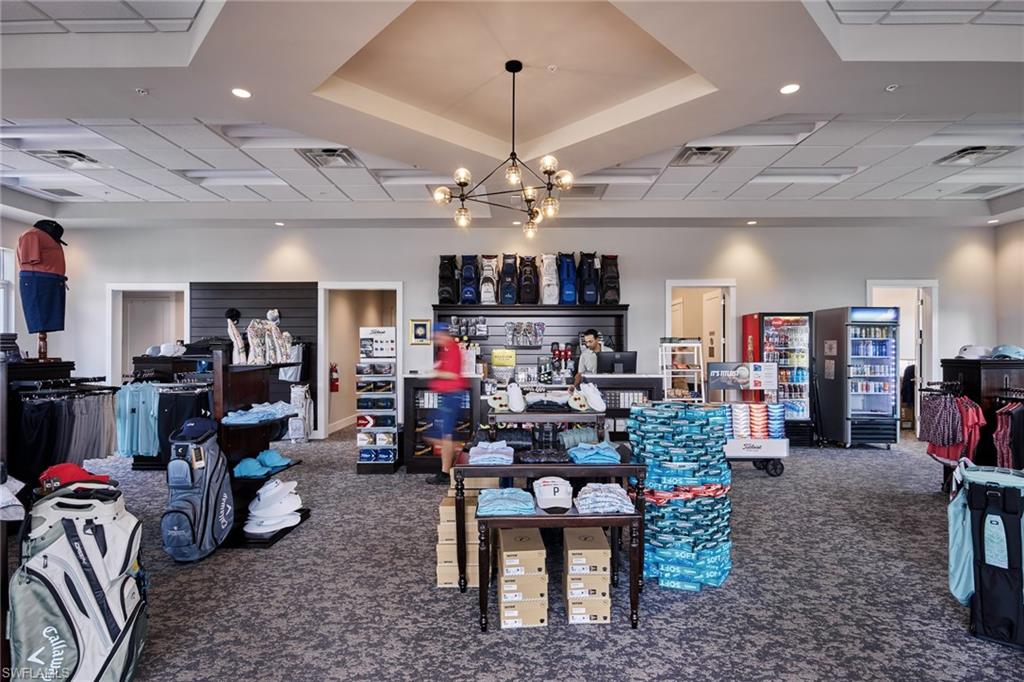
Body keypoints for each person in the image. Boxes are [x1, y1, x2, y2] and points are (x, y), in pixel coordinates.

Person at [425, 329, 468, 485]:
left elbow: (453, 375)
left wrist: (434, 372)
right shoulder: (446, 349)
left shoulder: (452, 349)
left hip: (452, 396)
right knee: (439, 435)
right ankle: (459, 457)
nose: (435, 340)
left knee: (443, 436)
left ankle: (452, 466)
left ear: (442, 335)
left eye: (436, 337)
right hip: (447, 396)